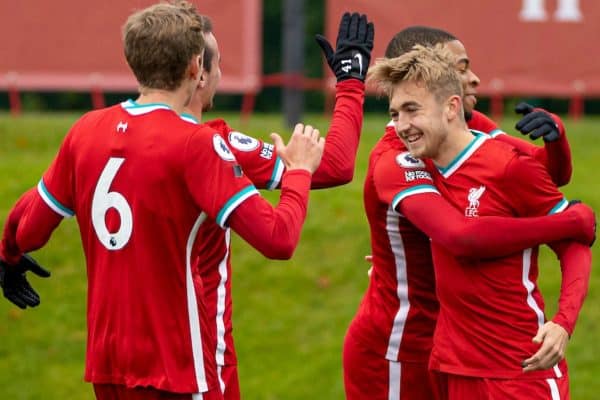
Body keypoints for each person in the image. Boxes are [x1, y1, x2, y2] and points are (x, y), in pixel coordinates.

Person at [0, 2, 326, 399]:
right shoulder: (196, 144)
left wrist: (9, 255)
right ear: (195, 66)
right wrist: (299, 173)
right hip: (176, 366)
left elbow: (29, 225)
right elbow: (278, 239)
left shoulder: (86, 130)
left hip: (108, 365)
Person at [367, 44, 592, 399]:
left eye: (412, 110)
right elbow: (460, 237)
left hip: (518, 370)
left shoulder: (508, 165)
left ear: (452, 107)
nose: (402, 126)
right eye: (395, 113)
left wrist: (563, 323)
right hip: (451, 368)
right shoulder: (413, 166)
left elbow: (574, 247)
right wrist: (572, 221)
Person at [179, 10, 374, 399]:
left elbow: (39, 209)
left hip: (119, 359)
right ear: (198, 72)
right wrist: (351, 84)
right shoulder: (215, 147)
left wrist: (15, 251)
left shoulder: (98, 136)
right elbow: (331, 169)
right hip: (197, 361)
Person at [384, 26, 572, 188]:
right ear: (420, 75)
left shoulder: (470, 122)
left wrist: (556, 133)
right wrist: (570, 221)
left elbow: (546, 174)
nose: (475, 79)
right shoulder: (394, 154)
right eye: (461, 69)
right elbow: (456, 230)